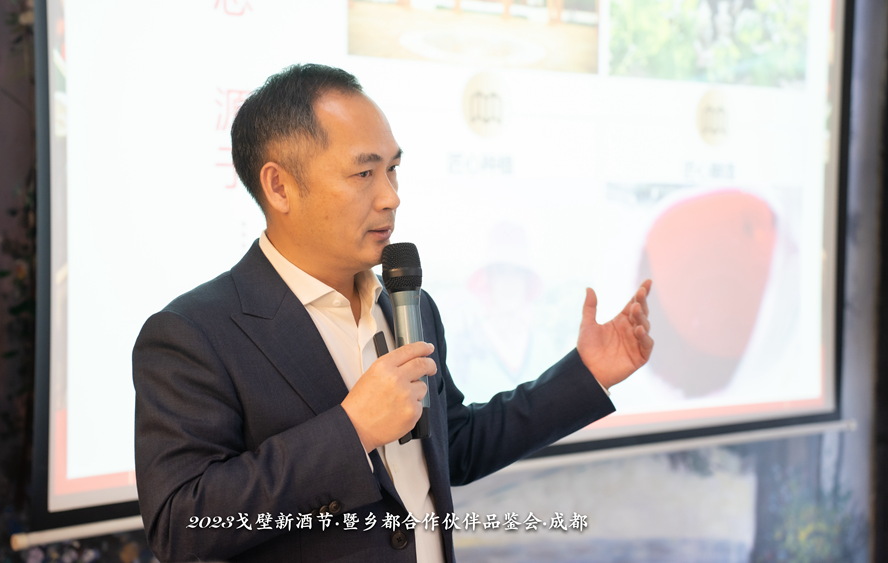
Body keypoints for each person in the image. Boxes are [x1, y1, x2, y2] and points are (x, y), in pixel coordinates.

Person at [132, 64, 653, 563]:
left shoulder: (410, 304)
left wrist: (587, 374)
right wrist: (351, 431)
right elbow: (182, 523)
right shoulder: (194, 334)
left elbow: (453, 445)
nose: (391, 197)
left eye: (393, 169)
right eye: (364, 172)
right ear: (279, 187)